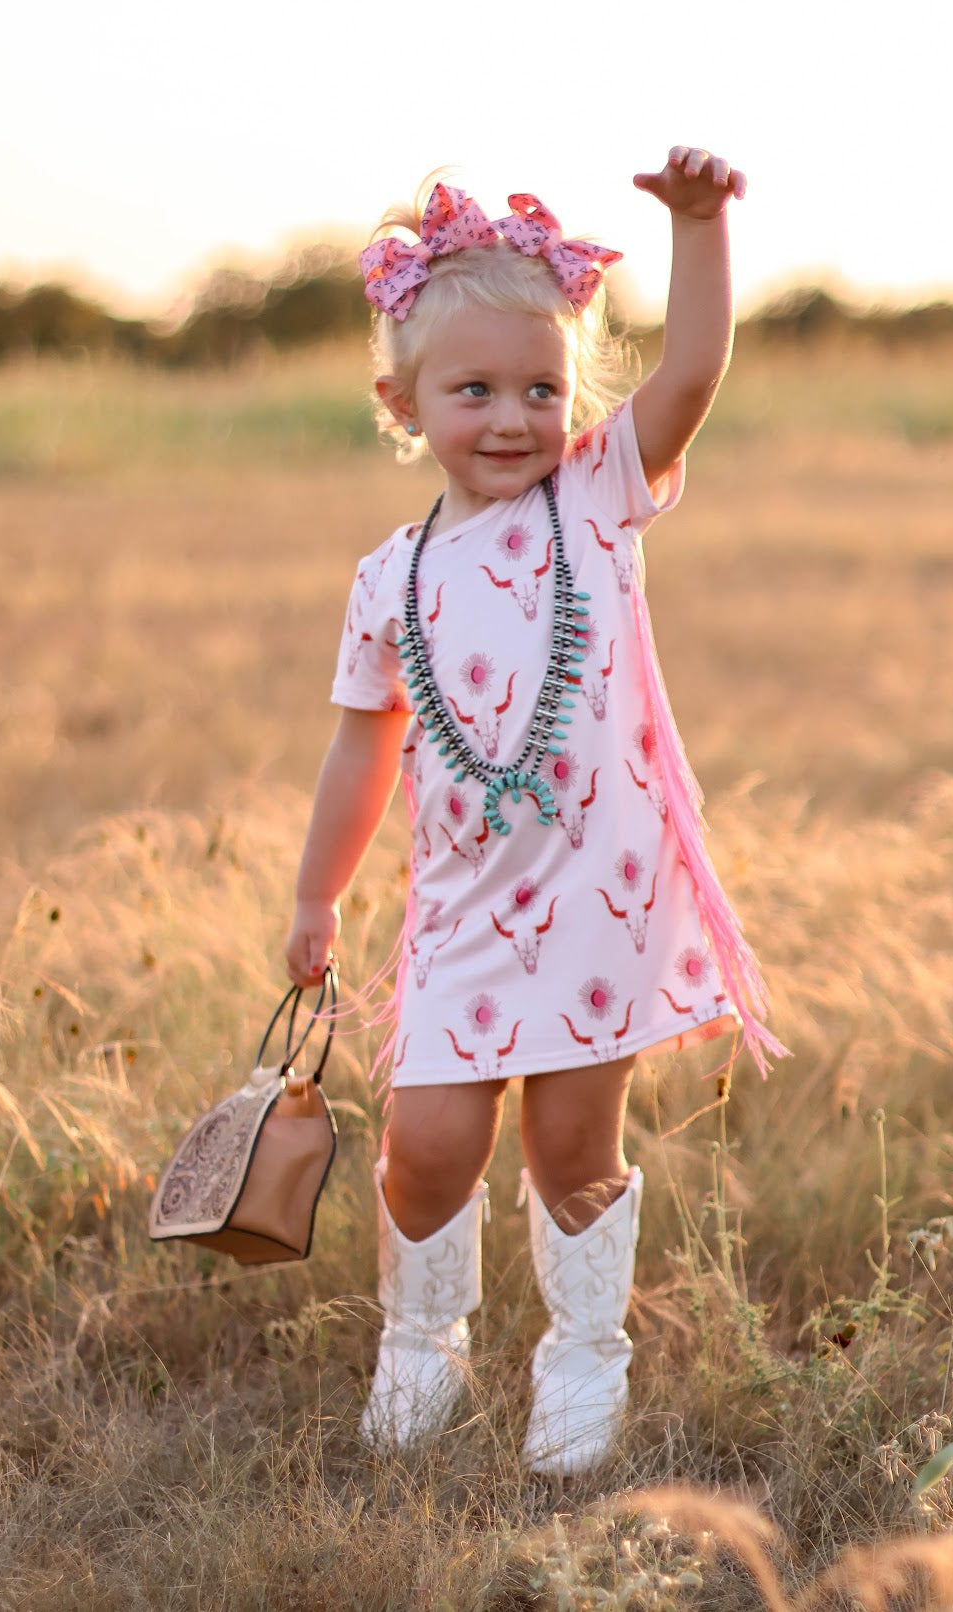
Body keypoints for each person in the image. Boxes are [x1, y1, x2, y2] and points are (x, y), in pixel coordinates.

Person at [285, 146, 785, 1475]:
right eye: (474, 391)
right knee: (426, 1144)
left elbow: (687, 378)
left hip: (592, 901)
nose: (512, 418)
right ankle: (422, 1339)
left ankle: (582, 1351)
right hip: (460, 914)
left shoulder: (593, 499)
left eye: (542, 389)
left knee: (573, 1143)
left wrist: (697, 231)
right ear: (401, 401)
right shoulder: (387, 578)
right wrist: (314, 896)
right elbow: (360, 753)